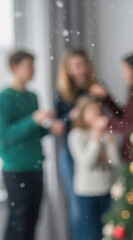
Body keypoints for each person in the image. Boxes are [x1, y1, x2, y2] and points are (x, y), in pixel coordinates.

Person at [0, 50, 64, 240]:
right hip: (16, 170)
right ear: (14, 67)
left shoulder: (32, 96)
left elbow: (32, 132)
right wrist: (33, 120)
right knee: (18, 224)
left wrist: (49, 128)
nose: (33, 70)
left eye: (33, 66)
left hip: (36, 166)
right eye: (29, 66)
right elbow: (4, 136)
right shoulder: (4, 98)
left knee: (33, 220)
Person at [54, 49, 97, 240]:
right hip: (72, 153)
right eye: (75, 66)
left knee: (99, 204)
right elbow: (57, 125)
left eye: (82, 64)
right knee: (78, 206)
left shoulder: (95, 88)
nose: (80, 70)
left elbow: (111, 114)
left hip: (98, 149)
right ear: (68, 69)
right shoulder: (62, 94)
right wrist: (70, 117)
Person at [68, 96, 121, 240]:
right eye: (92, 111)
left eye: (99, 111)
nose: (96, 114)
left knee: (108, 231)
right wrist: (95, 137)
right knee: (91, 232)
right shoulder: (76, 135)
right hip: (87, 192)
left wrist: (111, 143)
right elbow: (86, 162)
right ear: (82, 114)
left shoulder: (107, 133)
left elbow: (116, 162)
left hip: (107, 189)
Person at [89, 53, 133, 162]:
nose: (123, 75)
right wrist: (107, 97)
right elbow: (125, 117)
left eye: (125, 70)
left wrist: (107, 122)